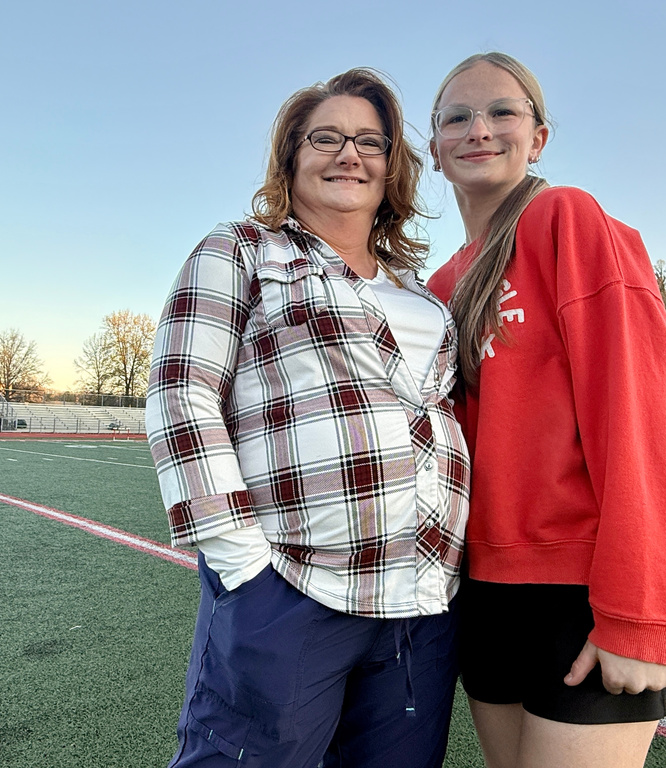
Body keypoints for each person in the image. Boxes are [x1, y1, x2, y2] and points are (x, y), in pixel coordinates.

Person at [147, 68, 470, 768]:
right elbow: (182, 395)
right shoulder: (240, 250)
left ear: (393, 169)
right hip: (293, 587)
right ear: (291, 157)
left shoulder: (424, 297)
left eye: (369, 141)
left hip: (420, 602)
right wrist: (245, 570)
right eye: (325, 137)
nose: (348, 153)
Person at [425, 52, 666, 768]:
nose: (478, 129)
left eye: (501, 112)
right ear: (433, 150)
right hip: (484, 592)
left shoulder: (564, 218)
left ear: (538, 137)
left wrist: (643, 613)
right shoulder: (441, 284)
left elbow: (642, 410)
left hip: (578, 592)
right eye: (457, 117)